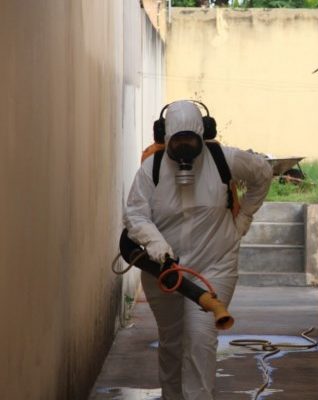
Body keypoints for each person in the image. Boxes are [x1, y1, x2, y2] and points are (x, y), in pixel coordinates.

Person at [124, 100, 272, 400]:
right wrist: (156, 245)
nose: (184, 147)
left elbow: (263, 173)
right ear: (164, 137)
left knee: (200, 338)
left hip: (215, 265)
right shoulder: (151, 169)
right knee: (172, 341)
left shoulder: (224, 159)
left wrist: (244, 218)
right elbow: (135, 215)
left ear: (203, 134)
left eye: (190, 139)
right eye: (176, 140)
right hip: (164, 268)